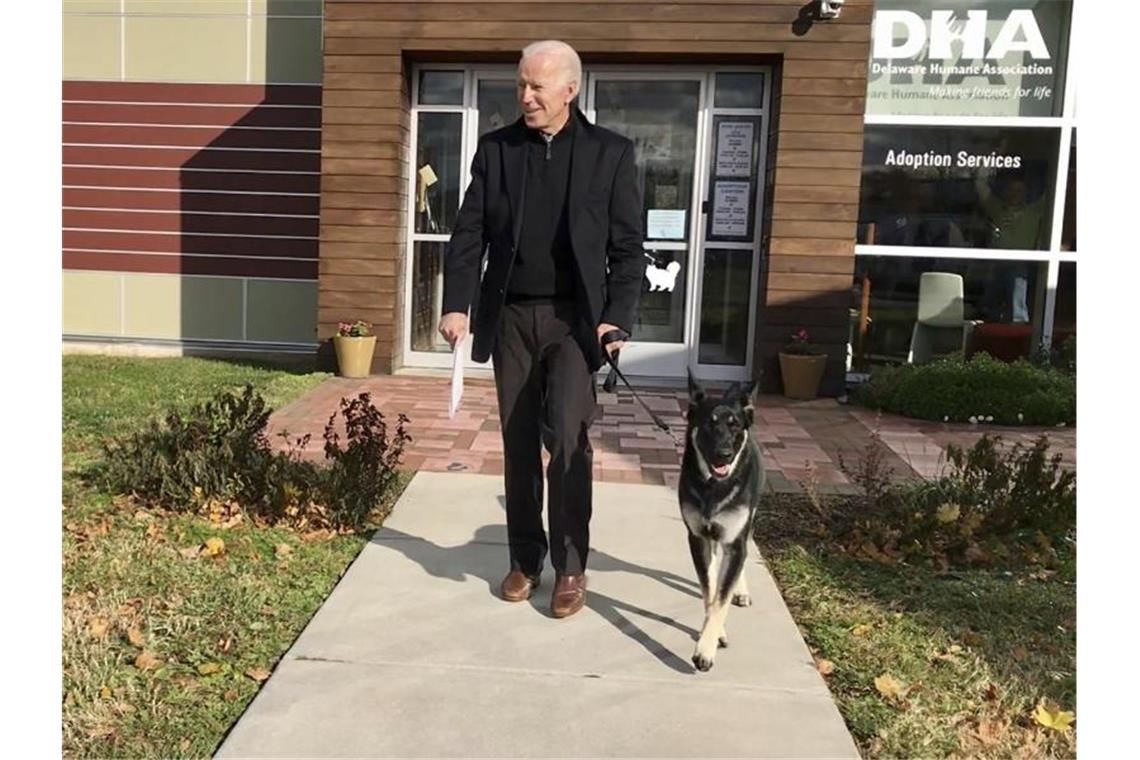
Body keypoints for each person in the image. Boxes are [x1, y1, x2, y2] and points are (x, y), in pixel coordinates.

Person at [438, 40, 645, 618]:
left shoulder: (611, 154)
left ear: (570, 91)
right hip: (511, 317)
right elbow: (468, 234)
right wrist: (458, 304)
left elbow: (628, 250)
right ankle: (526, 559)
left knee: (570, 441)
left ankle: (572, 565)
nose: (525, 97)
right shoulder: (498, 151)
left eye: (537, 87)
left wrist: (616, 317)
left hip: (576, 323)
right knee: (518, 441)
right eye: (521, 86)